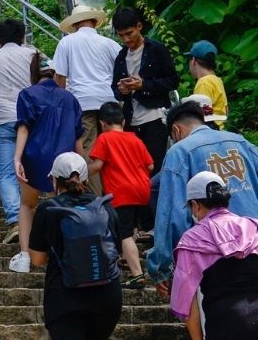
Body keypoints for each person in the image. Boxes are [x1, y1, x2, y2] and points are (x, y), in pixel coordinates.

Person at [147, 101, 258, 290]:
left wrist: (162, 266)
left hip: (214, 258)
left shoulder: (179, 152)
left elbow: (171, 217)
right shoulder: (242, 143)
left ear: (176, 131)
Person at [27, 152, 123, 340]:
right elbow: (115, 251)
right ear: (86, 180)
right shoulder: (105, 207)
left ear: (54, 181)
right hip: (107, 299)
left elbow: (37, 260)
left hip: (65, 299)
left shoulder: (48, 209)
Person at [10, 55, 85, 274]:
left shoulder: (27, 94)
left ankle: (25, 256)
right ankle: (59, 253)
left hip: (34, 157)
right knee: (60, 206)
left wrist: (17, 158)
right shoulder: (70, 98)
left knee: (27, 205)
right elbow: (77, 137)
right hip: (65, 160)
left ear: (34, 74)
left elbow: (23, 127)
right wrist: (82, 167)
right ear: (55, 73)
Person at [170, 171, 258, 339]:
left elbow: (187, 301)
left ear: (195, 205)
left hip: (225, 325)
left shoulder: (191, 240)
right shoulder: (253, 227)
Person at [52, 4, 121, 192]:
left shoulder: (67, 43)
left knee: (89, 151)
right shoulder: (110, 44)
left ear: (74, 24)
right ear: (94, 22)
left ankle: (95, 197)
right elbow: (122, 72)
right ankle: (116, 195)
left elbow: (60, 77)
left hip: (82, 102)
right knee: (113, 149)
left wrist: (62, 104)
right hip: (110, 102)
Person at [0, 18, 34, 245]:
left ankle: (14, 222)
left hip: (2, 120)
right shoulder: (32, 54)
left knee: (7, 173)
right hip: (30, 120)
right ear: (22, 37)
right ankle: (32, 218)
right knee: (32, 168)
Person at [87, 101, 154, 287]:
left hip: (121, 191)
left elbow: (98, 165)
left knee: (123, 233)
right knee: (130, 227)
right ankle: (126, 258)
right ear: (123, 122)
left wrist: (81, 173)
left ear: (102, 124)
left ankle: (137, 274)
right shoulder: (135, 139)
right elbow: (150, 165)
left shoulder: (105, 139)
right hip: (141, 190)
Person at [110, 6, 179, 171]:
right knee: (135, 168)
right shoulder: (121, 56)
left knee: (155, 167)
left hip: (155, 117)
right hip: (130, 120)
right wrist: (122, 90)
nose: (126, 39)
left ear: (139, 26)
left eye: (129, 33)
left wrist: (144, 85)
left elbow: (173, 81)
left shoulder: (156, 49)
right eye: (121, 35)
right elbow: (114, 88)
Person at [188, 40, 228, 129]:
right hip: (220, 129)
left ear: (193, 60)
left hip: (210, 131)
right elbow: (226, 108)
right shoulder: (216, 80)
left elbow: (204, 114)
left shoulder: (204, 83)